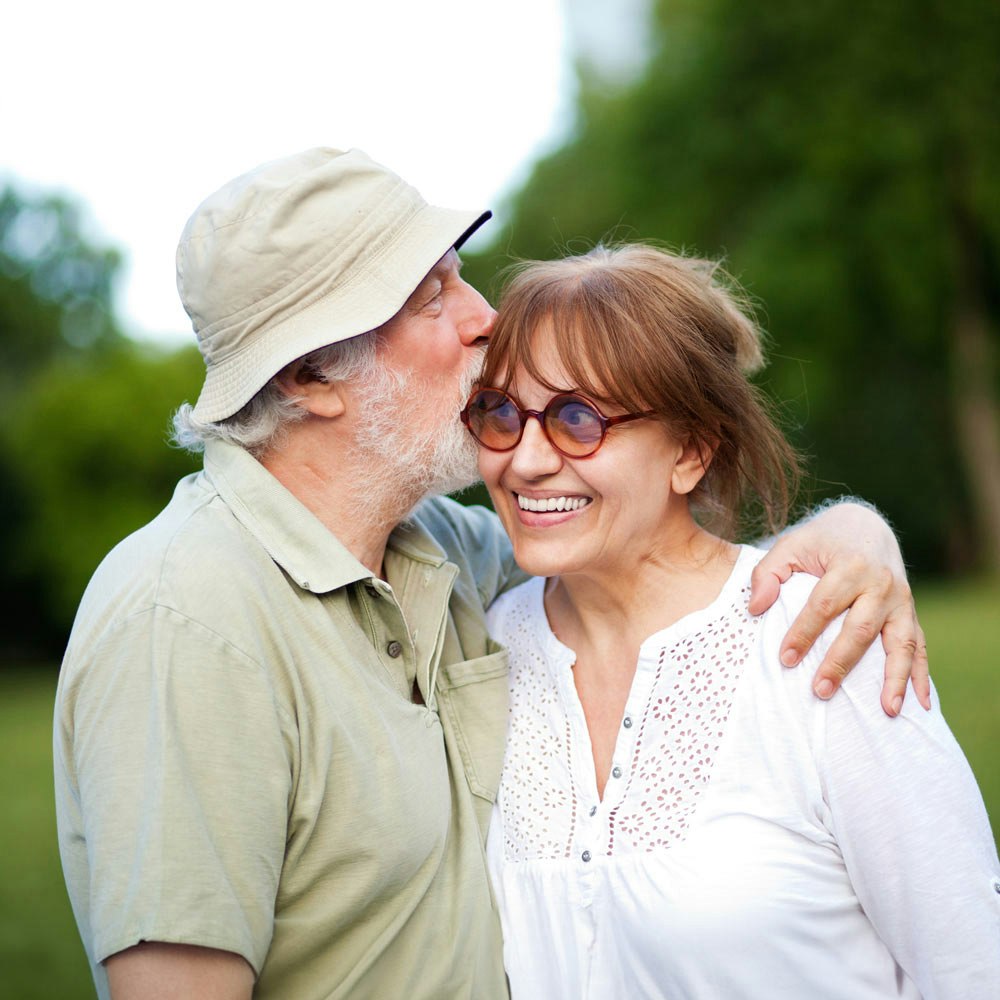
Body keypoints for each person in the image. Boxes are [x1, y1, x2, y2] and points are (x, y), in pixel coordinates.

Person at [54, 149, 924, 1000]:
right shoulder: (185, 620)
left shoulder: (441, 550)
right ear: (311, 374)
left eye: (458, 276)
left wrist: (854, 532)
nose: (484, 317)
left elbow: (644, 535)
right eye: (432, 295)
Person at [465, 244, 1000, 999]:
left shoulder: (825, 637)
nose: (523, 461)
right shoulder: (482, 650)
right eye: (501, 413)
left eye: (577, 418)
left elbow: (970, 965)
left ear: (690, 450)